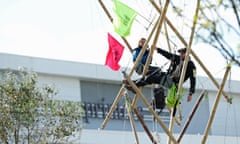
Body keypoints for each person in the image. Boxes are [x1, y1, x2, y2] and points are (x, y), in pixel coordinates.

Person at [124, 47, 196, 102]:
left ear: (187, 54)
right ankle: (134, 83)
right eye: (180, 53)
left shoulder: (191, 65)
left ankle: (135, 85)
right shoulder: (178, 59)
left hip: (172, 82)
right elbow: (168, 54)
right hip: (168, 76)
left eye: (182, 53)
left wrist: (190, 93)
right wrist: (158, 49)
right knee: (151, 73)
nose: (181, 54)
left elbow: (193, 79)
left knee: (152, 78)